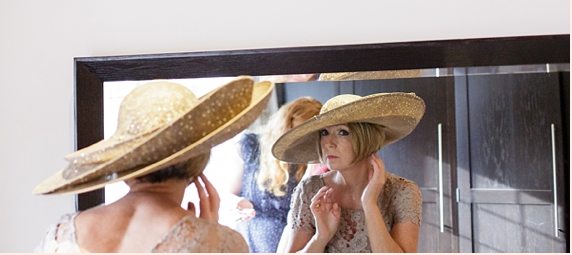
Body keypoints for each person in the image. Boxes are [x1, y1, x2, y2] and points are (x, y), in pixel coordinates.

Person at [33, 76, 273, 252]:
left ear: (124, 165)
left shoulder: (60, 232)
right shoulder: (222, 244)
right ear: (199, 162)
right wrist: (210, 237)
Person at [273, 92, 425, 253]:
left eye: (342, 132)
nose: (328, 143)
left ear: (367, 138)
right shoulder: (310, 189)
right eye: (324, 133)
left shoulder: (403, 192)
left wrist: (370, 204)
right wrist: (321, 237)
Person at [233, 96, 323, 252]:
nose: (297, 145)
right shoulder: (253, 147)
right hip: (247, 244)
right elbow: (230, 195)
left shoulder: (314, 163)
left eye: (306, 139)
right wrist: (237, 204)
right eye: (293, 135)